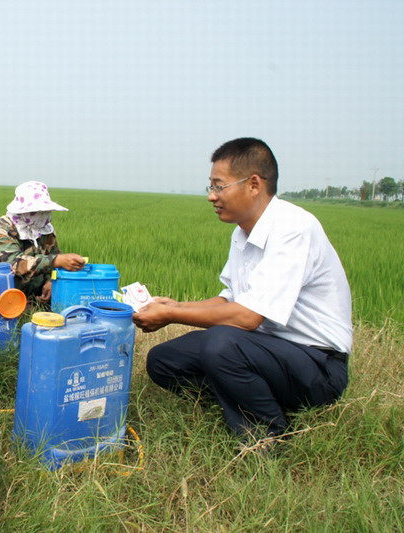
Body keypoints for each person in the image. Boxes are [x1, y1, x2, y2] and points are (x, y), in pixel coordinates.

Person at [135, 137, 352, 438]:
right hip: (264, 351)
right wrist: (175, 306)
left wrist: (171, 316)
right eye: (210, 186)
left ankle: (263, 437)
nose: (211, 196)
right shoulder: (242, 233)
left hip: (317, 365)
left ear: (253, 184)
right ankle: (251, 403)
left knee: (222, 343)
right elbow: (230, 300)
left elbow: (247, 317)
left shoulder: (293, 228)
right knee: (164, 360)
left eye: (219, 186)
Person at [0, 180, 86, 303]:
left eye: (45, 211)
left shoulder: (45, 229)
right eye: (38, 211)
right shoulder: (3, 228)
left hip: (32, 291)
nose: (43, 215)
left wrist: (51, 280)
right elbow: (16, 264)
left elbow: (53, 254)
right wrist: (56, 261)